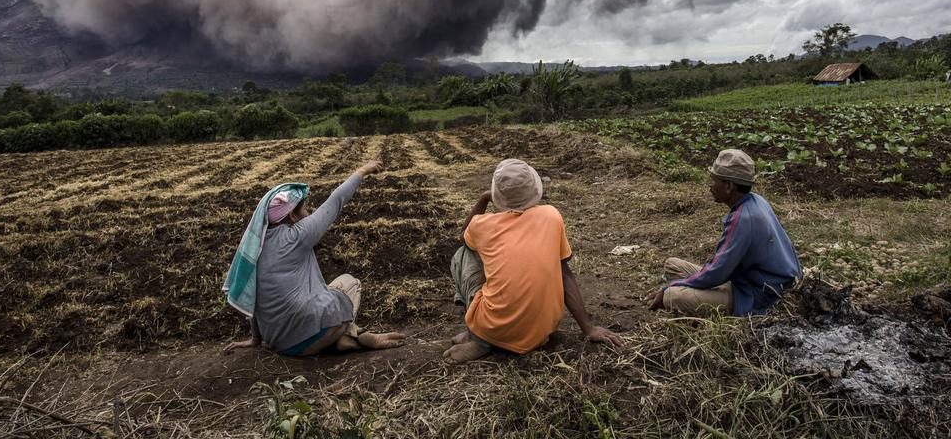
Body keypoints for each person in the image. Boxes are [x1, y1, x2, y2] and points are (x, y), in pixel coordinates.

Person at [446, 158, 622, 363]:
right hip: (542, 331)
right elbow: (564, 273)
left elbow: (464, 237)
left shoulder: (481, 225)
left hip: (494, 329)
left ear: (497, 194)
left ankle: (480, 337)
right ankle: (484, 330)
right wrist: (589, 329)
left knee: (462, 255)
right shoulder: (551, 216)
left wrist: (484, 199)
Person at [223, 160, 407, 355]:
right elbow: (335, 202)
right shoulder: (297, 235)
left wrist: (255, 339)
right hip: (311, 337)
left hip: (281, 344)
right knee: (349, 283)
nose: (308, 213)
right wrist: (361, 171)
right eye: (304, 209)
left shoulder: (254, 248)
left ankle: (343, 338)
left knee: (312, 296)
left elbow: (253, 296)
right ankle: (350, 334)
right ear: (292, 216)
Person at [645, 149, 801, 317]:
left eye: (714, 180)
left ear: (729, 187)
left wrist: (669, 287)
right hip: (749, 281)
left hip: (757, 295)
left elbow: (716, 273)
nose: (710, 185)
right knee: (672, 264)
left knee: (672, 297)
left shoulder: (742, 219)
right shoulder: (756, 201)